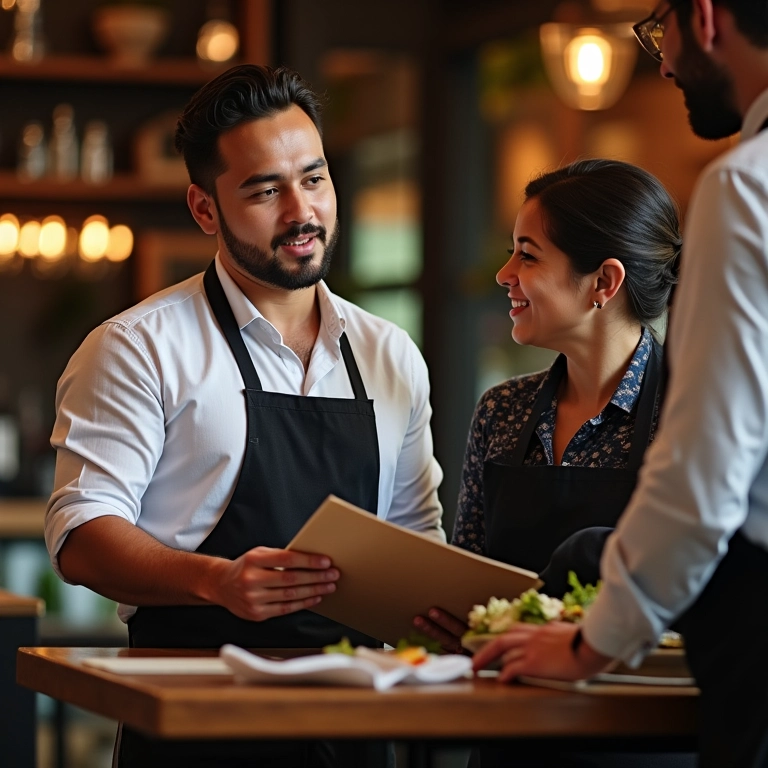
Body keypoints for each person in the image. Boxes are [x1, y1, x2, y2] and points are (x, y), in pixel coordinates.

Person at [44, 63, 444, 767]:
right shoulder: (139, 347)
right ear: (205, 210)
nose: (302, 212)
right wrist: (216, 580)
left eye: (314, 179)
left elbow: (416, 537)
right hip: (196, 721)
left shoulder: (390, 354)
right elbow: (80, 533)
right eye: (266, 190)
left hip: (358, 727)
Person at [472, 2, 768, 766]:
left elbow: (700, 484)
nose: (662, 62)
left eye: (659, 27)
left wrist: (588, 643)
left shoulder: (747, 189)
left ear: (705, 19)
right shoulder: (504, 411)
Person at [415, 158, 681, 653]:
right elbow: (467, 584)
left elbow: (699, 596)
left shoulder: (688, 415)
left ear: (604, 282)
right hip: (503, 706)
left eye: (528, 256)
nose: (504, 274)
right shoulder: (502, 410)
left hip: (637, 709)